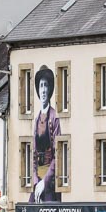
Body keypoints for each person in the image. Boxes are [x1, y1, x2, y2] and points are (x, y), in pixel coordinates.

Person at [30, 65, 61, 203]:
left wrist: (45, 182)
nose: (43, 90)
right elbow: (34, 155)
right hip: (39, 179)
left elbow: (57, 155)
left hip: (50, 181)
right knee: (29, 211)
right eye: (41, 86)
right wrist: (36, 181)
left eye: (45, 86)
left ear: (49, 90)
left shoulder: (54, 118)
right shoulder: (36, 119)